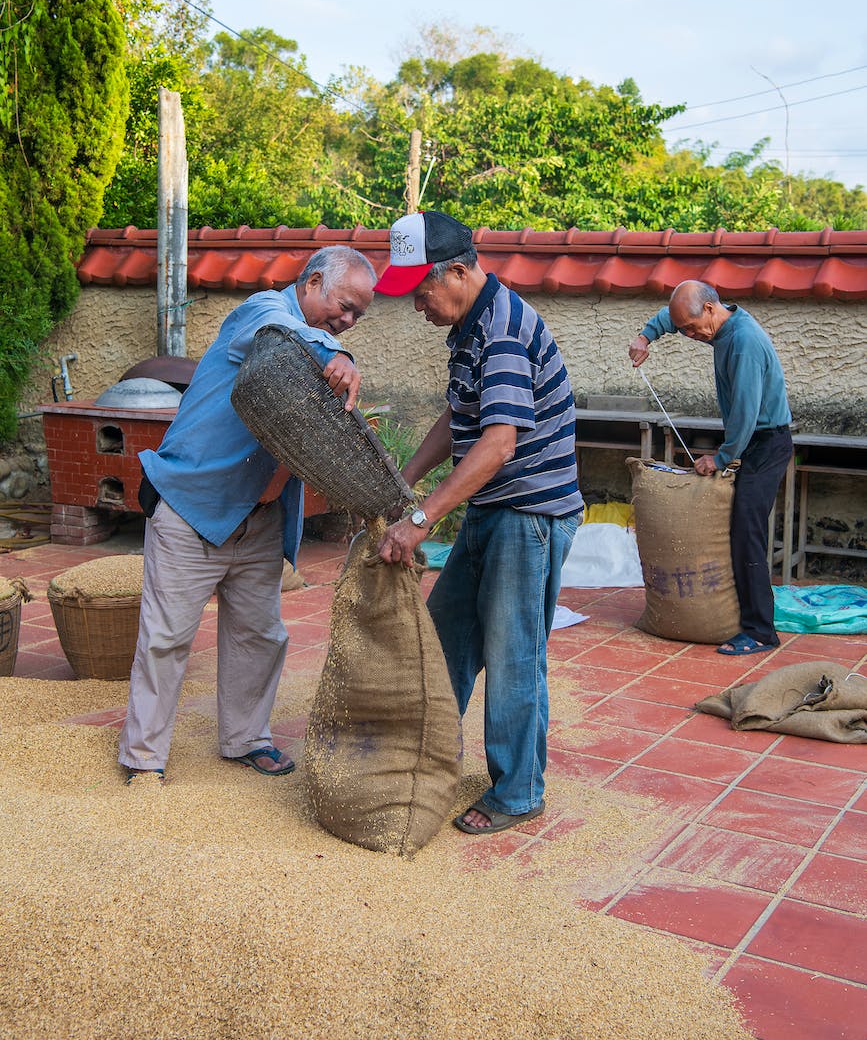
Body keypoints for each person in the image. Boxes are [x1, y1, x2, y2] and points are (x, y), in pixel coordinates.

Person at [119, 246, 376, 784]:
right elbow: (276, 341)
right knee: (166, 638)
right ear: (310, 283)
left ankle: (246, 738)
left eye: (357, 318)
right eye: (344, 306)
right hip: (194, 504)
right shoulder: (263, 312)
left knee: (259, 634)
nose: (348, 323)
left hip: (259, 517)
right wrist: (340, 353)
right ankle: (143, 759)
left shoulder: (321, 359)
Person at [375, 210, 582, 836]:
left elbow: (497, 446)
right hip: (495, 508)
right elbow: (457, 417)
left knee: (513, 655)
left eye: (422, 289)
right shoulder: (470, 328)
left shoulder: (502, 331)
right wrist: (403, 479)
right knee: (444, 638)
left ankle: (518, 793)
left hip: (530, 514)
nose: (416, 304)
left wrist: (419, 519)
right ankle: (430, 757)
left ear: (459, 272)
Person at [628, 279, 792, 657]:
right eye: (681, 329)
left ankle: (760, 631)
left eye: (690, 328)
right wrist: (645, 337)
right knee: (737, 529)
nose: (687, 335)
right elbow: (672, 317)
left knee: (746, 533)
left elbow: (747, 415)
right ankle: (742, 616)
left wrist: (719, 458)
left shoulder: (744, 342)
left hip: (766, 444)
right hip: (754, 441)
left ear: (709, 308)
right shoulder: (713, 321)